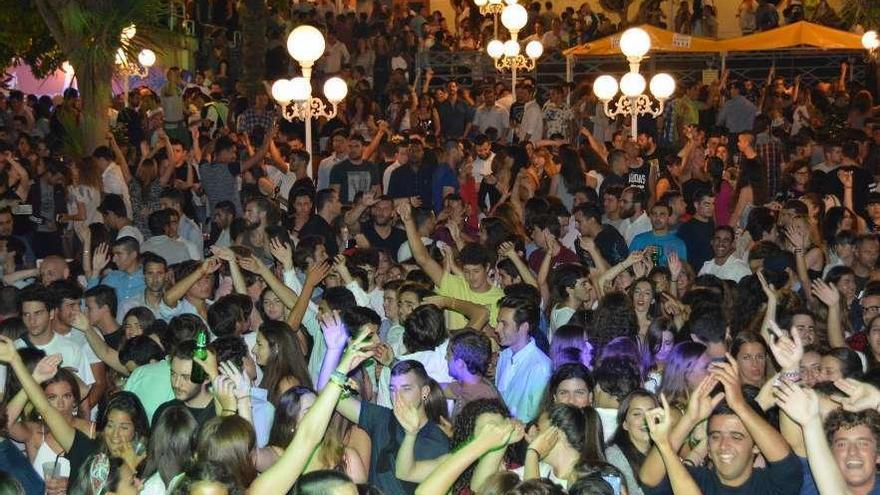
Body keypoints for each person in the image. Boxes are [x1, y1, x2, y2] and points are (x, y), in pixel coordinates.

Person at [494, 296, 552, 423]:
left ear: (524, 327)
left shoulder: (540, 368)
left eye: (504, 324)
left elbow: (538, 418)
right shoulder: (504, 356)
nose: (496, 329)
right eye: (498, 322)